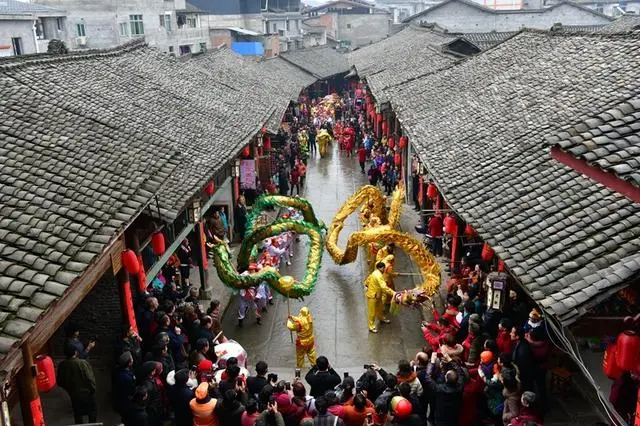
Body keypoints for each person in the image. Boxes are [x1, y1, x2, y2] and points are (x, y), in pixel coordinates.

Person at [57, 343, 97, 424]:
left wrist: (69, 389)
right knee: (92, 414)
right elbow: (90, 379)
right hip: (87, 394)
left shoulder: (62, 365)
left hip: (74, 395)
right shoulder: (82, 363)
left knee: (78, 414)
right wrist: (93, 389)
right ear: (75, 352)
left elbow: (60, 381)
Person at [422, 352, 464, 426]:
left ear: (446, 378)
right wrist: (450, 360)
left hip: (441, 416)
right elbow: (460, 372)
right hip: (454, 414)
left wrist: (432, 362)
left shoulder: (439, 388)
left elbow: (427, 377)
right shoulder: (460, 386)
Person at [365, 261, 396, 333]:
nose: (384, 269)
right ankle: (371, 327)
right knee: (372, 312)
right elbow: (384, 287)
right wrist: (393, 293)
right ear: (380, 268)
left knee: (380, 308)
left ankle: (381, 318)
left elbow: (368, 279)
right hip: (372, 296)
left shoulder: (375, 272)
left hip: (377, 294)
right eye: (384, 268)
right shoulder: (378, 275)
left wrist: (366, 284)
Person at [112, 351, 136, 421]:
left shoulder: (121, 371)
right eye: (131, 359)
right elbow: (130, 391)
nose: (133, 359)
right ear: (129, 363)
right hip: (126, 402)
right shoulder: (126, 377)